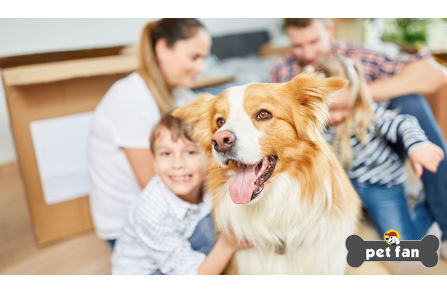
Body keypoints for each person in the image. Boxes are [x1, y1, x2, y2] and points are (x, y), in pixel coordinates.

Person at [270, 18, 447, 258]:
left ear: (328, 30)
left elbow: (412, 108)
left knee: (401, 242)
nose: (308, 52)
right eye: (298, 46)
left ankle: (429, 205)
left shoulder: (363, 94)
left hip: (380, 180)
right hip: (347, 178)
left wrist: (359, 98)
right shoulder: (283, 73)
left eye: (313, 41)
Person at [88, 19, 212, 247]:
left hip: (170, 204)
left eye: (203, 58)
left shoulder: (180, 96)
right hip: (131, 226)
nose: (201, 67)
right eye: (194, 57)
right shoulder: (130, 99)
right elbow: (153, 182)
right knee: (224, 236)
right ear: (163, 49)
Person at [313, 56, 445, 243]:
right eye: (331, 109)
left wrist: (418, 145)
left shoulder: (368, 114)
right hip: (348, 185)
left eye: (345, 108)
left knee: (401, 242)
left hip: (381, 186)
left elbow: (403, 123)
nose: (338, 116)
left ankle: (426, 204)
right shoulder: (316, 125)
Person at [111, 114, 251, 275]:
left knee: (214, 223)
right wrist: (227, 245)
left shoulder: (208, 183)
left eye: (190, 152)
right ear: (154, 162)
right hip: (148, 273)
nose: (177, 164)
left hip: (182, 245)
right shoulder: (152, 213)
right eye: (166, 154)